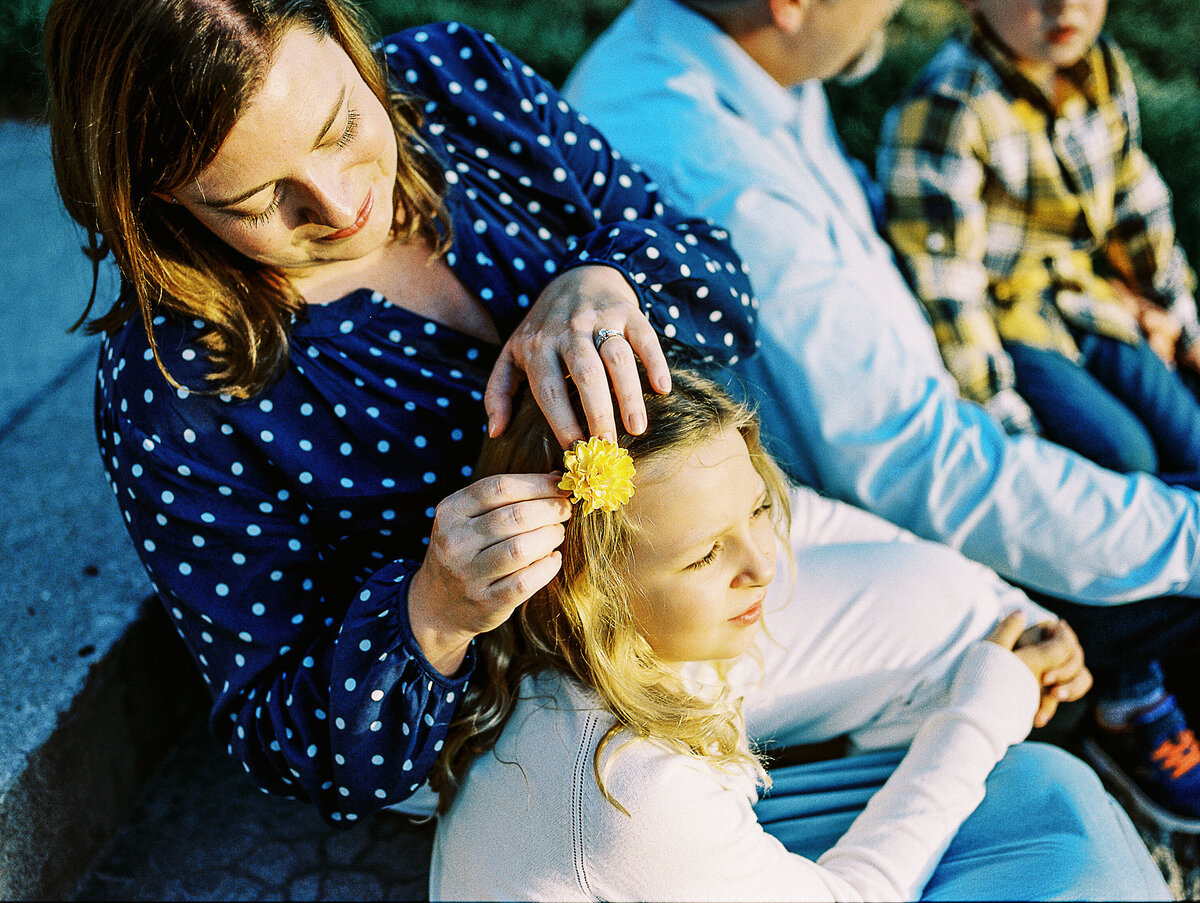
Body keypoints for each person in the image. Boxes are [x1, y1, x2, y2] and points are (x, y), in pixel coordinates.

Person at [43, 0, 760, 824]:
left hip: (715, 561)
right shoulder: (173, 391)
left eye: (340, 127)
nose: (340, 203)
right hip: (522, 713)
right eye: (256, 199)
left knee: (946, 625)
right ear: (160, 199)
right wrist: (431, 613)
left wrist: (605, 279)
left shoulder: (458, 82)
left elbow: (724, 286)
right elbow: (286, 735)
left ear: (344, 37)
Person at [564, 0, 1200, 824]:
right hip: (821, 539)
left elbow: (868, 242)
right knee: (1159, 526)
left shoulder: (737, 60)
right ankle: (1121, 710)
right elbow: (920, 466)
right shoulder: (714, 169)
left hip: (926, 435)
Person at [429, 366, 1167, 901]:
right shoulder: (626, 786)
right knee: (1073, 862)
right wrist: (978, 713)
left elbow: (803, 517)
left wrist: (1006, 611)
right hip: (677, 850)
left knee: (1048, 799)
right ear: (591, 590)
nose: (764, 563)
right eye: (706, 553)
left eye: (753, 511)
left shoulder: (608, 652)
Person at [877, 0, 1200, 482]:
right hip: (1009, 325)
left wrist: (1181, 319)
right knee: (1127, 458)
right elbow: (947, 285)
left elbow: (1136, 207)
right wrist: (1003, 420)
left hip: (1086, 302)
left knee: (1192, 438)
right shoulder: (949, 108)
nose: (1065, 6)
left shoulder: (1099, 67)